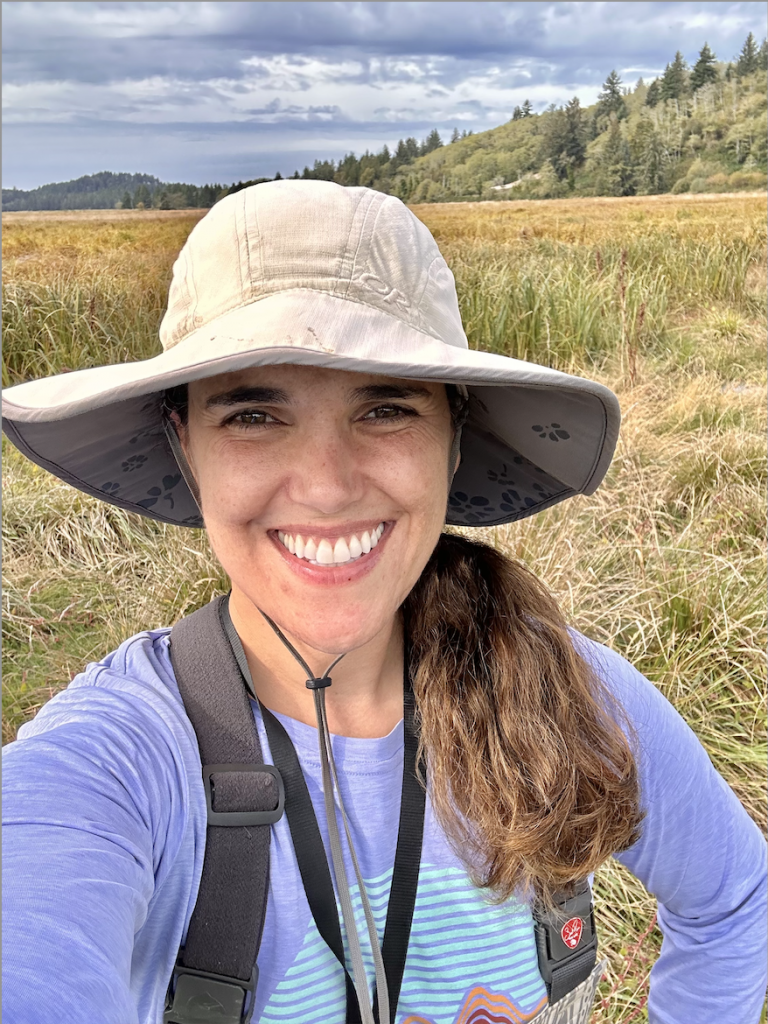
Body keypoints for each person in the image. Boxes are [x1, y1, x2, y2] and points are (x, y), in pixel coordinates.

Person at [2, 180, 765, 1024]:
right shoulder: (114, 767)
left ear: (454, 437)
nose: (327, 487)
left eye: (387, 408)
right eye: (254, 414)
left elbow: (735, 897)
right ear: (185, 446)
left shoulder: (570, 694)